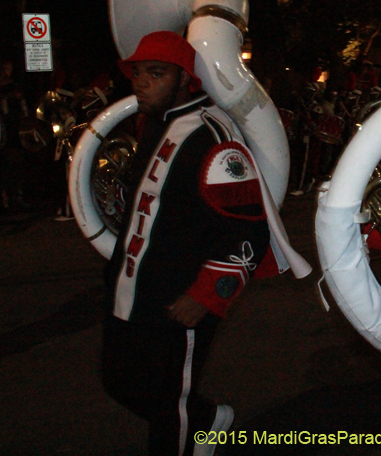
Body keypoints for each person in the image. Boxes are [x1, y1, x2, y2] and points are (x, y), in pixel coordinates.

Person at [100, 31, 274, 456]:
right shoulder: (153, 125)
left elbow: (249, 231)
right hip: (134, 293)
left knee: (166, 408)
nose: (141, 83)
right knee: (118, 381)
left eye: (155, 74)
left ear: (183, 79)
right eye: (138, 73)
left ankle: (193, 427)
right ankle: (207, 420)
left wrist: (206, 295)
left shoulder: (213, 136)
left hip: (180, 299)